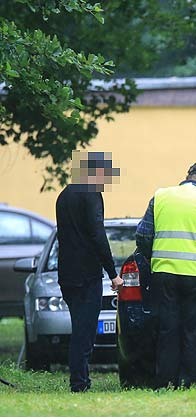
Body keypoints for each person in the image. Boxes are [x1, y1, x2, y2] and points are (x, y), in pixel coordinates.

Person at [136, 160, 196, 387]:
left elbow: (142, 236)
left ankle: (165, 382)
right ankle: (194, 383)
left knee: (167, 329)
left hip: (164, 273)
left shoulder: (160, 196)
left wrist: (158, 257)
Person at [56, 151, 123, 393]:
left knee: (79, 326)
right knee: (84, 333)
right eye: (105, 173)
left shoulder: (64, 195)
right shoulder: (91, 194)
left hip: (67, 272)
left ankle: (80, 377)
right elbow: (97, 234)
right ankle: (79, 382)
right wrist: (112, 273)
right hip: (86, 273)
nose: (106, 179)